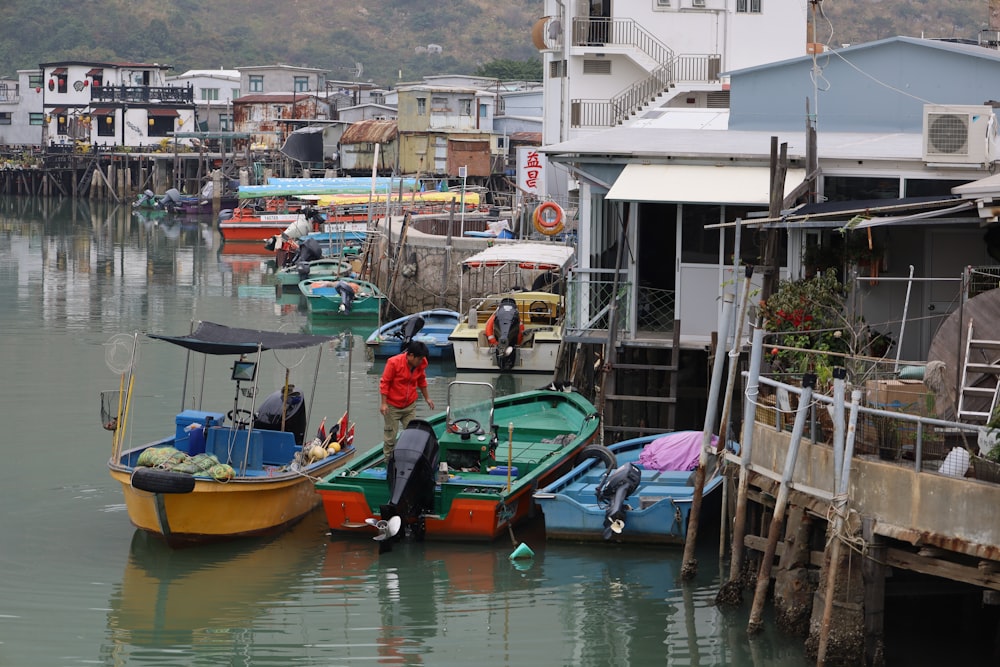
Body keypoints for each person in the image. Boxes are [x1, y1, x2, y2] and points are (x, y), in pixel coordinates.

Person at [379, 341, 434, 459]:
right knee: (390, 437)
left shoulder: (421, 364)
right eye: (418, 359)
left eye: (422, 359)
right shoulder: (393, 363)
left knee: (412, 434)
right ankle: (388, 460)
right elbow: (385, 383)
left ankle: (410, 459)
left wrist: (427, 398)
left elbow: (422, 381)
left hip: (409, 405)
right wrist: (384, 403)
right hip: (392, 406)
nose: (420, 362)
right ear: (410, 355)